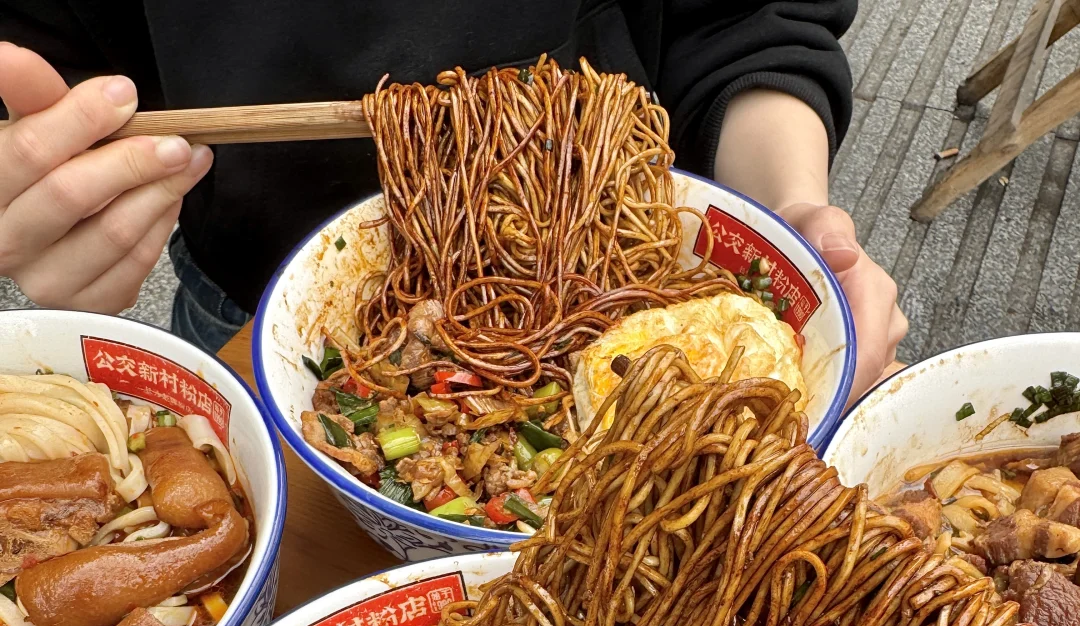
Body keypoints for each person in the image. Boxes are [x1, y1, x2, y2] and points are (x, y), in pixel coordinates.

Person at [0, 3, 905, 397]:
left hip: (639, 277)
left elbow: (746, 17)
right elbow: (41, 63)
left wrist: (790, 213)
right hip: (261, 303)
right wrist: (49, 193)